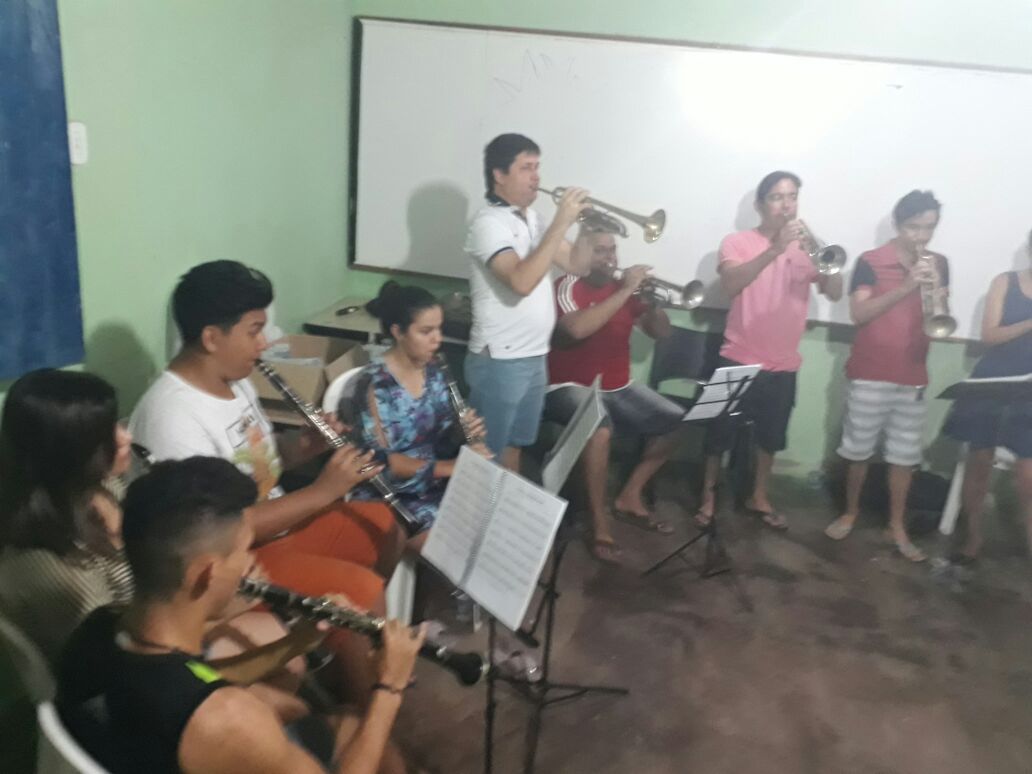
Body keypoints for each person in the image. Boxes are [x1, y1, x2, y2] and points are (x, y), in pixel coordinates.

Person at [58, 457, 424, 774]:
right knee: (367, 732)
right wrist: (388, 688)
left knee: (335, 718)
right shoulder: (229, 719)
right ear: (208, 573)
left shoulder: (97, 630)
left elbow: (195, 678)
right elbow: (208, 703)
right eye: (243, 551)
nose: (249, 562)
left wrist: (296, 642)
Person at [0, 370, 323, 719]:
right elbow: (133, 669)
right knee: (293, 702)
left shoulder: (103, 490)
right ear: (71, 454)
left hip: (156, 633)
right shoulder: (49, 568)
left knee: (287, 661)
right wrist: (221, 608)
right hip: (127, 692)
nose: (126, 436)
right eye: (108, 434)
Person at [130, 260, 401, 606]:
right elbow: (215, 531)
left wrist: (302, 446)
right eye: (253, 331)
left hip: (277, 526)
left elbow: (258, 462)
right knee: (363, 589)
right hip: (236, 560)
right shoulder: (172, 418)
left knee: (387, 526)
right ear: (211, 338)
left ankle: (339, 629)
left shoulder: (234, 380)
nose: (263, 344)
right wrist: (323, 491)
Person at [697, 171, 843, 530]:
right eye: (777, 197)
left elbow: (835, 291)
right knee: (717, 436)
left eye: (792, 197)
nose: (786, 205)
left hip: (783, 363)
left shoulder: (807, 248)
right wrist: (775, 249)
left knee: (770, 439)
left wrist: (819, 251)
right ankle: (708, 498)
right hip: (736, 355)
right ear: (761, 205)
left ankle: (759, 495)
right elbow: (731, 285)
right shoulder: (737, 242)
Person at [823, 191, 948, 561]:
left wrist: (936, 294)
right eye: (913, 227)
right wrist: (907, 287)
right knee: (858, 451)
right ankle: (850, 512)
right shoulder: (870, 261)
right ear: (897, 224)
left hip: (913, 373)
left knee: (904, 457)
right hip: (870, 371)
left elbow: (940, 316)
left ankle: (897, 525)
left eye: (929, 228)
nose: (921, 236)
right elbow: (859, 314)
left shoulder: (939, 263)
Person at [544, 231, 683, 561]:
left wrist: (652, 305)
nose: (609, 258)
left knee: (676, 421)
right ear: (581, 253)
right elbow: (576, 329)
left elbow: (662, 333)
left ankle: (630, 495)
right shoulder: (566, 285)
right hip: (567, 385)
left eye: (612, 250)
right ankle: (599, 523)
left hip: (618, 385)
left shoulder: (624, 290)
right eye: (599, 251)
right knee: (600, 430)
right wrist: (624, 291)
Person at [464, 132, 592, 472]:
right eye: (526, 168)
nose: (536, 177)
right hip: (500, 358)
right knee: (486, 455)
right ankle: (479, 507)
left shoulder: (533, 220)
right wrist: (561, 221)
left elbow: (578, 265)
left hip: (535, 354)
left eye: (537, 167)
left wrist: (586, 228)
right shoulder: (488, 223)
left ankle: (505, 505)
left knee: (516, 446)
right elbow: (521, 281)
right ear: (499, 174)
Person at [350, 281, 491, 543]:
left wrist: (460, 433)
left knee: (495, 523)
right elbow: (379, 462)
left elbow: (441, 441)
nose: (437, 339)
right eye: (426, 331)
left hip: (436, 482)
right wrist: (449, 467)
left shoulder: (436, 371)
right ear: (398, 332)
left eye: (439, 329)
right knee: (457, 549)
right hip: (392, 494)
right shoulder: (373, 384)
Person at [942, 230, 1032, 564]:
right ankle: (973, 536)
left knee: (1028, 475)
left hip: (1028, 393)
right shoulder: (1005, 282)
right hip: (992, 383)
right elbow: (990, 335)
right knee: (979, 462)